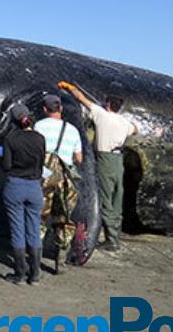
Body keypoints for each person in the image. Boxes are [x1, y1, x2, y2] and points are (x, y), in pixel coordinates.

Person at [58, 81, 137, 251]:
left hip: (105, 159)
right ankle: (114, 235)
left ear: (108, 104)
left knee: (106, 196)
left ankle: (111, 241)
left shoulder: (102, 114)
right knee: (116, 196)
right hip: (118, 161)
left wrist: (68, 87)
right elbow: (135, 130)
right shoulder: (124, 122)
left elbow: (81, 98)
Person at [34, 94, 83, 271]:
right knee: (64, 218)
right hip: (65, 180)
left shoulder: (39, 126)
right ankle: (60, 260)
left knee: (39, 216)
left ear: (45, 110)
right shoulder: (72, 130)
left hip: (43, 178)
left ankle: (34, 259)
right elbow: (79, 158)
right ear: (60, 109)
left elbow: (33, 148)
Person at [0, 103, 46, 285]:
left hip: (15, 186)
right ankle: (35, 273)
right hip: (34, 186)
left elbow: (6, 165)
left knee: (17, 230)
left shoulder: (10, 138)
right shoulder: (40, 138)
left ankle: (19, 273)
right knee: (34, 230)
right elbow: (41, 162)